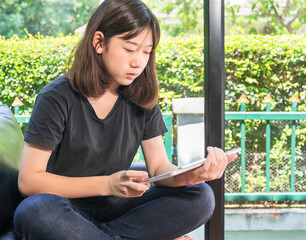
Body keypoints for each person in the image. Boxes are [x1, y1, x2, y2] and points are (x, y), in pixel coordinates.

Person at [13, 0, 237, 239]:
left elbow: (159, 167)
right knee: (35, 211)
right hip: (64, 206)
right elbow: (29, 181)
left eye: (146, 52)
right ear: (99, 42)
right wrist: (108, 184)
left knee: (200, 196)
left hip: (116, 208)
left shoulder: (141, 97)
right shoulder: (57, 97)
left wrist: (193, 175)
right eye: (130, 49)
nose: (138, 62)